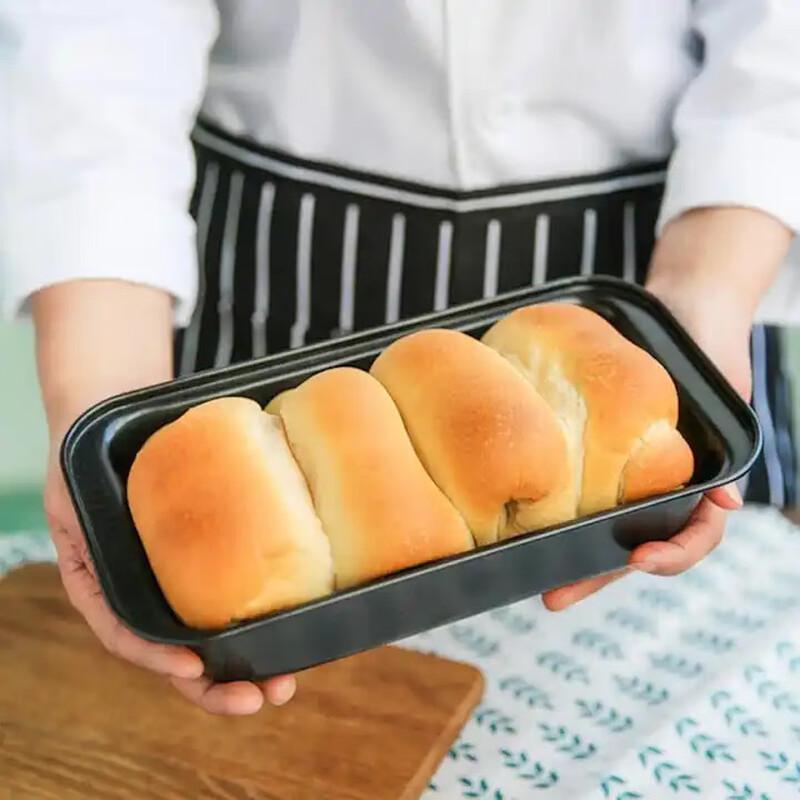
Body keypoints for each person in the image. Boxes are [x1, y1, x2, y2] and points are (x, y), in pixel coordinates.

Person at [2, 2, 799, 716]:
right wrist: (101, 391)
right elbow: (92, 38)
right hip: (276, 253)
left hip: (662, 277)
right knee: (292, 713)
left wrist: (707, 296)